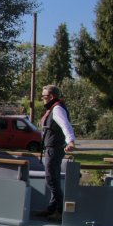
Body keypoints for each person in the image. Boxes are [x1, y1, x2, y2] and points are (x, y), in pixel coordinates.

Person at [39, 84, 75, 217]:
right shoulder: (54, 108)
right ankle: (52, 208)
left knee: (51, 180)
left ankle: (60, 211)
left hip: (54, 149)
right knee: (53, 178)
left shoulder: (57, 109)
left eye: (44, 97)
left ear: (52, 97)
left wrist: (70, 141)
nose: (43, 99)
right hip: (51, 149)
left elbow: (65, 126)